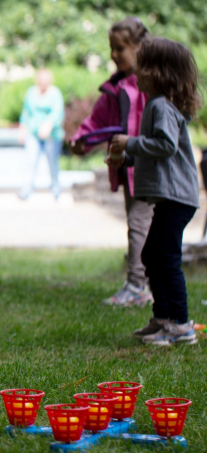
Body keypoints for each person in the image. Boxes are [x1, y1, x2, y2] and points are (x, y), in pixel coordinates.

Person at [108, 37, 202, 346]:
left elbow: (165, 146)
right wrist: (127, 155)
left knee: (166, 257)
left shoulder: (161, 105)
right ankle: (162, 318)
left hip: (177, 198)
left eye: (144, 66)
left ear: (160, 73)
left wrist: (129, 143)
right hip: (170, 197)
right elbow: (156, 152)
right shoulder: (157, 104)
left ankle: (180, 324)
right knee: (152, 254)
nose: (137, 70)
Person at [70, 18, 153, 308]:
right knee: (139, 224)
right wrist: (81, 140)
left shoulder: (150, 84)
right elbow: (97, 122)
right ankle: (143, 283)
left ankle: (138, 285)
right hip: (130, 169)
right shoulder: (114, 87)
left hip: (152, 168)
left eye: (121, 48)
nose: (114, 54)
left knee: (143, 226)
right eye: (111, 48)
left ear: (140, 48)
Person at [18, 69, 65, 200]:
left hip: (52, 135)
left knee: (52, 163)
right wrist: (22, 129)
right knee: (31, 162)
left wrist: (48, 125)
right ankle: (26, 191)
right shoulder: (31, 92)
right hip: (33, 134)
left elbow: (58, 113)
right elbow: (26, 113)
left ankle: (56, 189)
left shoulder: (55, 93)